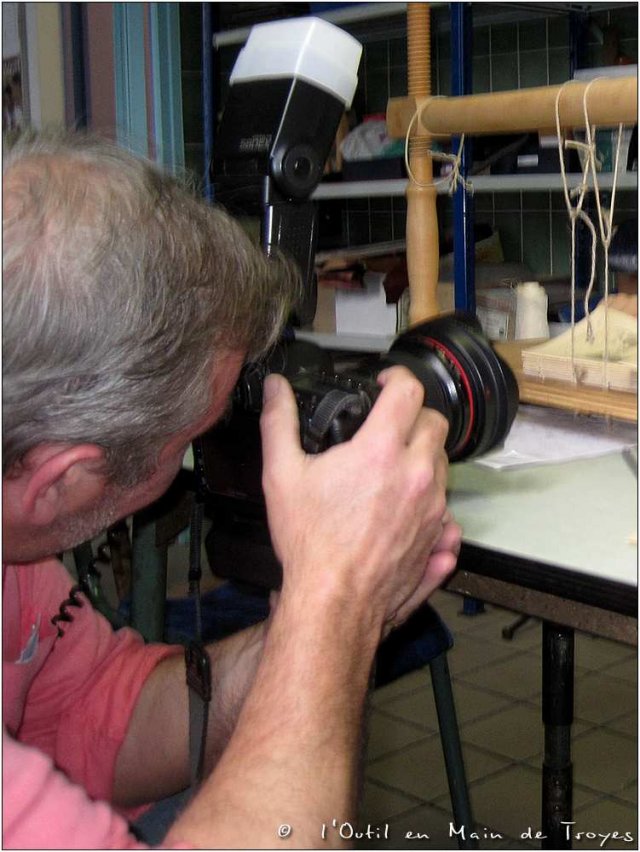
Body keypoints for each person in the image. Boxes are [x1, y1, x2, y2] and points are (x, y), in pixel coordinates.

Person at [2, 131, 461, 849]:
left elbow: (92, 718)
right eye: (191, 438)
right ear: (62, 479)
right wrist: (331, 604)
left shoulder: (16, 555)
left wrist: (315, 629)